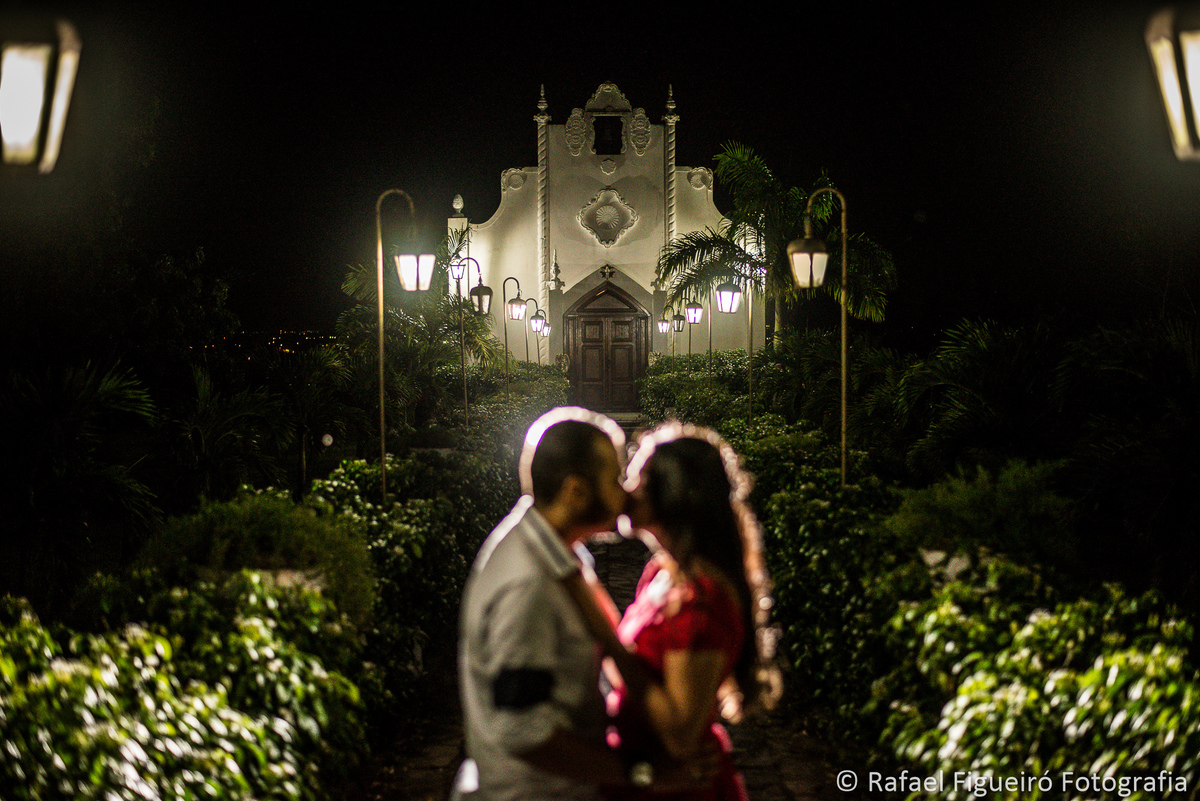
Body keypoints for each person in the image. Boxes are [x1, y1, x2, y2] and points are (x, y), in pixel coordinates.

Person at [455, 408, 714, 801]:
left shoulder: (557, 552)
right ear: (576, 491)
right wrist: (644, 772)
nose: (625, 493)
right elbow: (523, 731)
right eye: (613, 479)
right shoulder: (529, 583)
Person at [561, 422, 780, 801]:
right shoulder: (662, 572)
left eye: (637, 480)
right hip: (643, 776)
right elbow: (633, 673)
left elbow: (679, 738)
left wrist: (608, 640)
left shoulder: (702, 604)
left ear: (674, 495)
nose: (625, 491)